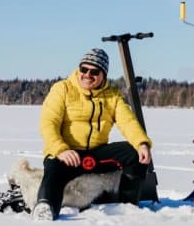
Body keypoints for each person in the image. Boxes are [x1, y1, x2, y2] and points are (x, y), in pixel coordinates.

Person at [32, 48, 152, 221]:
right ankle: (45, 207)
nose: (87, 74)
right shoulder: (62, 89)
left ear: (103, 74)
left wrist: (142, 143)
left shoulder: (112, 96)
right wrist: (60, 149)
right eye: (84, 69)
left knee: (134, 153)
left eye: (94, 71)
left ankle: (127, 205)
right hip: (66, 155)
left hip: (96, 155)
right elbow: (48, 124)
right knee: (53, 171)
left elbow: (128, 122)